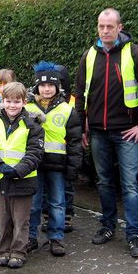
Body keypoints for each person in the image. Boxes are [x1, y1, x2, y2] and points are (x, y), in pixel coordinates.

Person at [75, 8, 138, 258]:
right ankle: (108, 226)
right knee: (104, 182)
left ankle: (134, 235)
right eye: (101, 26)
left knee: (130, 186)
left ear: (119, 27)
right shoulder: (89, 55)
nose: (105, 31)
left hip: (126, 133)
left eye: (110, 26)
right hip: (98, 133)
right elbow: (80, 94)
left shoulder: (134, 52)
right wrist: (82, 126)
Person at [0, 82, 44, 269]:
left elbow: (35, 153)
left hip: (23, 180)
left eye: (17, 101)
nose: (12, 105)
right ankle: (4, 251)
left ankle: (18, 252)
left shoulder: (33, 126)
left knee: (21, 220)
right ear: (2, 101)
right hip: (0, 179)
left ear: (24, 102)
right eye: (8, 101)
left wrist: (18, 170)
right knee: (3, 219)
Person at [25, 63, 82, 257]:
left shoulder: (67, 110)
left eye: (51, 85)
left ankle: (56, 238)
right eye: (42, 85)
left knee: (58, 203)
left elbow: (74, 142)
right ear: (36, 87)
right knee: (33, 203)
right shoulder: (27, 108)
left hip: (57, 166)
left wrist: (73, 167)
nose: (46, 89)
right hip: (34, 164)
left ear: (58, 87)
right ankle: (30, 238)